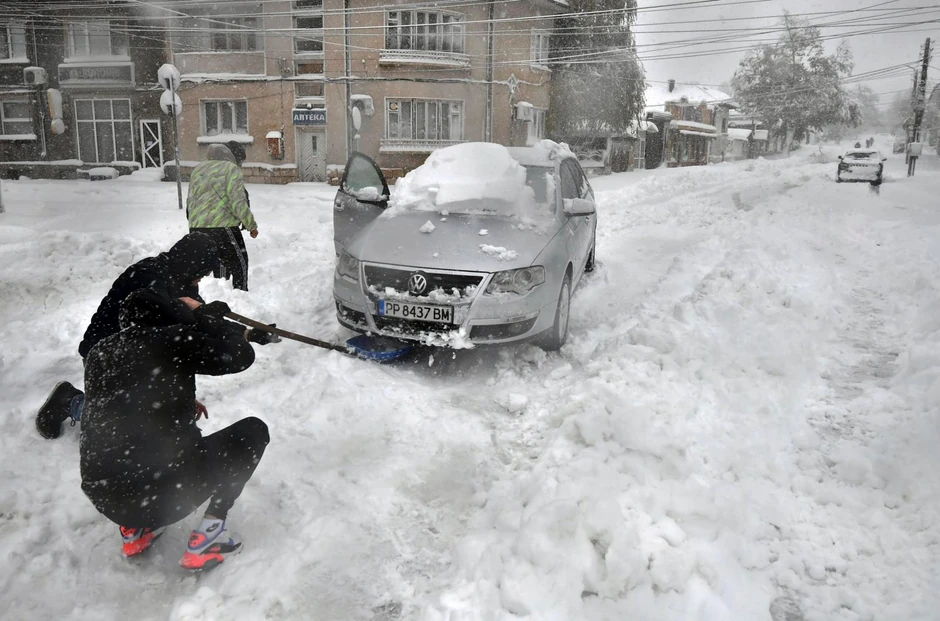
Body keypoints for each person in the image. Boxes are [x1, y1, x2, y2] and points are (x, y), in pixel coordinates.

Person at [80, 288, 278, 569]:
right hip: (164, 496)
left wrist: (179, 398)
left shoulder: (100, 353)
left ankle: (136, 530)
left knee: (129, 450)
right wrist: (206, 318)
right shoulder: (171, 340)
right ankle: (209, 538)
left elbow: (123, 397)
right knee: (253, 432)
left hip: (106, 497)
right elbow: (241, 355)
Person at [36, 232, 221, 440]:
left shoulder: (183, 280)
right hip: (104, 354)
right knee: (125, 427)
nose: (200, 279)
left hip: (136, 354)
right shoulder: (149, 277)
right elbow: (163, 341)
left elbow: (191, 331)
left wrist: (242, 332)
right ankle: (69, 401)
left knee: (155, 417)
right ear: (191, 264)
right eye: (201, 273)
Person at [187, 142, 258, 292]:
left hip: (197, 228)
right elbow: (237, 201)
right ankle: (241, 296)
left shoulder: (198, 169)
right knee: (239, 263)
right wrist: (251, 225)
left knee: (218, 264)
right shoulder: (231, 169)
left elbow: (191, 200)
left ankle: (220, 294)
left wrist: (195, 223)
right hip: (223, 227)